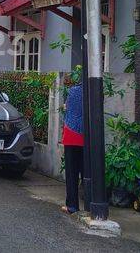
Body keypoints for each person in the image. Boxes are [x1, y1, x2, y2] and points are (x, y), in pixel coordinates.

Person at [61, 74, 84, 214]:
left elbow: (68, 109)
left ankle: (72, 206)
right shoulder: (96, 92)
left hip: (71, 135)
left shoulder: (73, 91)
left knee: (72, 173)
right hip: (87, 137)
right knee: (87, 171)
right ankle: (90, 204)